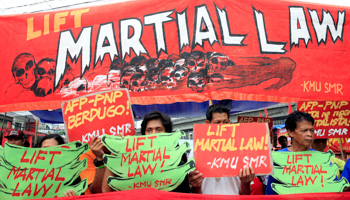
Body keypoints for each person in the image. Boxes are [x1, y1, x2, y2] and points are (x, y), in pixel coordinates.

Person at [101, 110, 191, 193]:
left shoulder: (178, 166)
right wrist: (115, 150)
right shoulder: (131, 163)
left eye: (159, 129)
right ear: (144, 134)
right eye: (149, 130)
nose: (153, 134)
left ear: (167, 134)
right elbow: (106, 191)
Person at [189, 104, 255, 195]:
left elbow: (246, 193)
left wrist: (245, 182)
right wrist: (196, 184)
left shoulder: (241, 150)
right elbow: (195, 192)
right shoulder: (196, 151)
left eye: (225, 122)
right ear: (207, 124)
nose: (222, 126)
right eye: (217, 122)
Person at [265, 111, 315, 195]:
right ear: (291, 132)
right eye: (304, 130)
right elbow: (271, 194)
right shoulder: (278, 159)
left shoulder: (323, 158)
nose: (309, 134)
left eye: (312, 130)